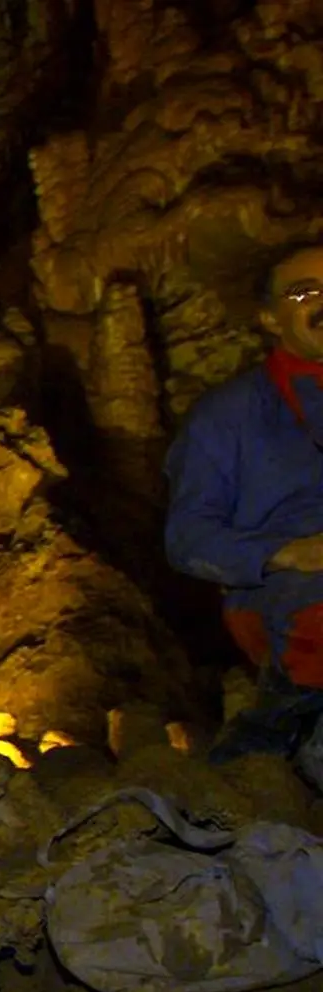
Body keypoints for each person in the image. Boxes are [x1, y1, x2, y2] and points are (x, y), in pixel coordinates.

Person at [167, 242, 323, 762]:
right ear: (270, 318)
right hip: (289, 592)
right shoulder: (228, 415)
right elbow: (187, 538)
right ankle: (270, 741)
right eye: (304, 292)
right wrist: (287, 552)